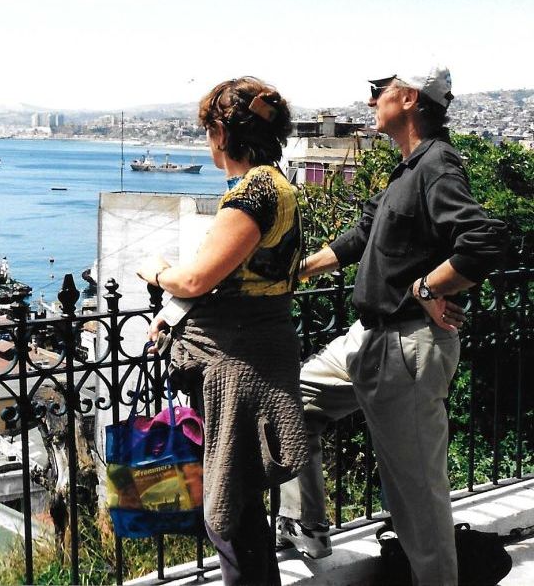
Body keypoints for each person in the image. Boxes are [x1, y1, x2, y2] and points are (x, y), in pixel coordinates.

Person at [276, 67, 506, 585]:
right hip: (370, 339)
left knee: (417, 499)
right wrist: (299, 271)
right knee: (293, 401)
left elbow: (484, 241)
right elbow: (363, 232)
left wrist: (428, 289)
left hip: (407, 346)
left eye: (378, 91)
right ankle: (306, 522)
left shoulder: (438, 166)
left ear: (407, 99)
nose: (372, 100)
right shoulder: (409, 168)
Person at [137, 76, 308, 586]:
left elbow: (196, 278)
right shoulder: (277, 185)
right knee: (244, 510)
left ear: (221, 133)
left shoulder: (253, 192)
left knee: (230, 512)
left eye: (208, 130)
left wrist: (158, 271)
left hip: (240, 362)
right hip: (259, 349)